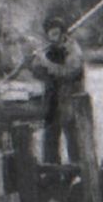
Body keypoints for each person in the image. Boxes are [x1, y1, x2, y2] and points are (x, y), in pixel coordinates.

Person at [31, 17, 85, 164]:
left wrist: (46, 62)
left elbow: (67, 72)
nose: (54, 37)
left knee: (73, 140)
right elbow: (37, 72)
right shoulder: (48, 49)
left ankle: (77, 173)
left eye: (57, 34)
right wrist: (37, 61)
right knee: (50, 138)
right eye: (51, 34)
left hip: (69, 101)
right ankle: (51, 175)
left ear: (63, 34)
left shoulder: (73, 50)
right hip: (52, 100)